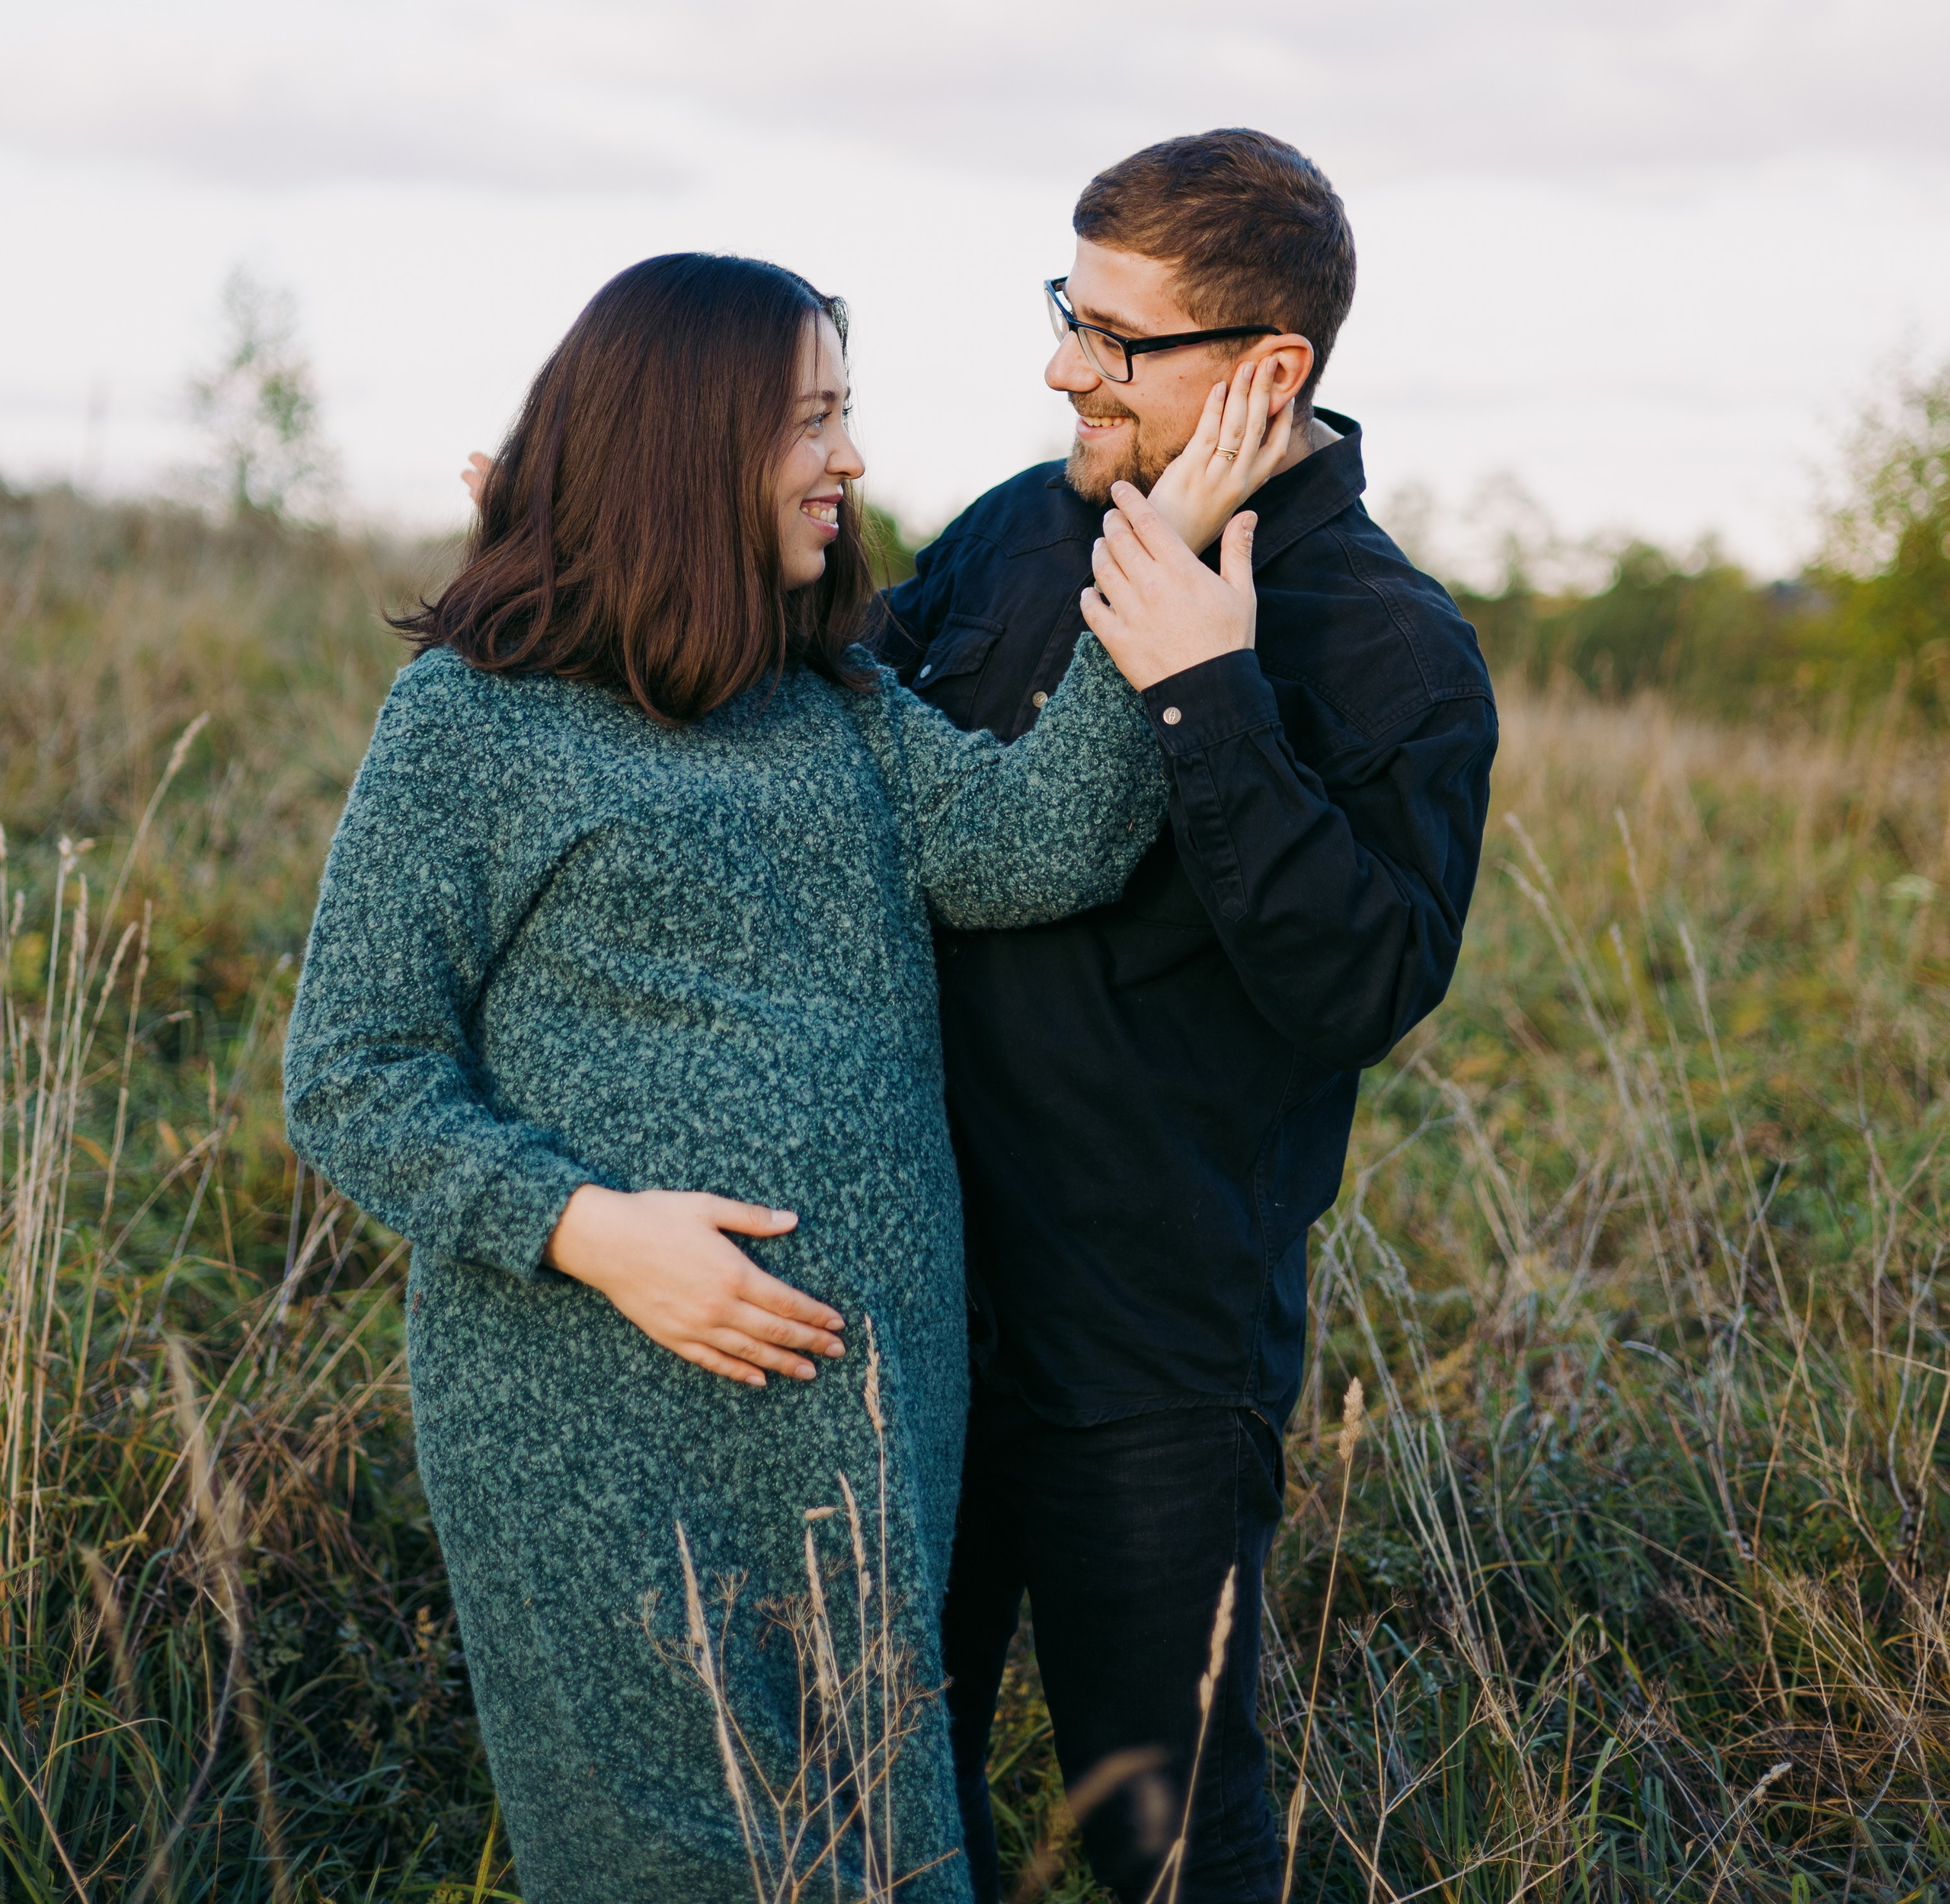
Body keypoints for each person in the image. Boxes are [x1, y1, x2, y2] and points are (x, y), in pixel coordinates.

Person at [286, 251, 1270, 1904]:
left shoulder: (833, 701)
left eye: (844, 414)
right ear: (689, 446)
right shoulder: (474, 720)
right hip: (592, 1414)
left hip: (864, 1438)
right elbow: (352, 1071)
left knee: (877, 1858)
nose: (850, 460)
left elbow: (1042, 847)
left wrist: (1158, 588)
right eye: (813, 420)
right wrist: (589, 1227)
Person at [882, 129, 1499, 1904]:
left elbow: (1363, 982)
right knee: (879, 1780)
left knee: (1163, 1836)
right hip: (910, 1295)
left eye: (1110, 336)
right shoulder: (1015, 527)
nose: (1062, 361)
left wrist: (1204, 696)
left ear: (1267, 369)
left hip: (1150, 1355)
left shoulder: (1388, 647)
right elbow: (845, 747)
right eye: (1063, 310)